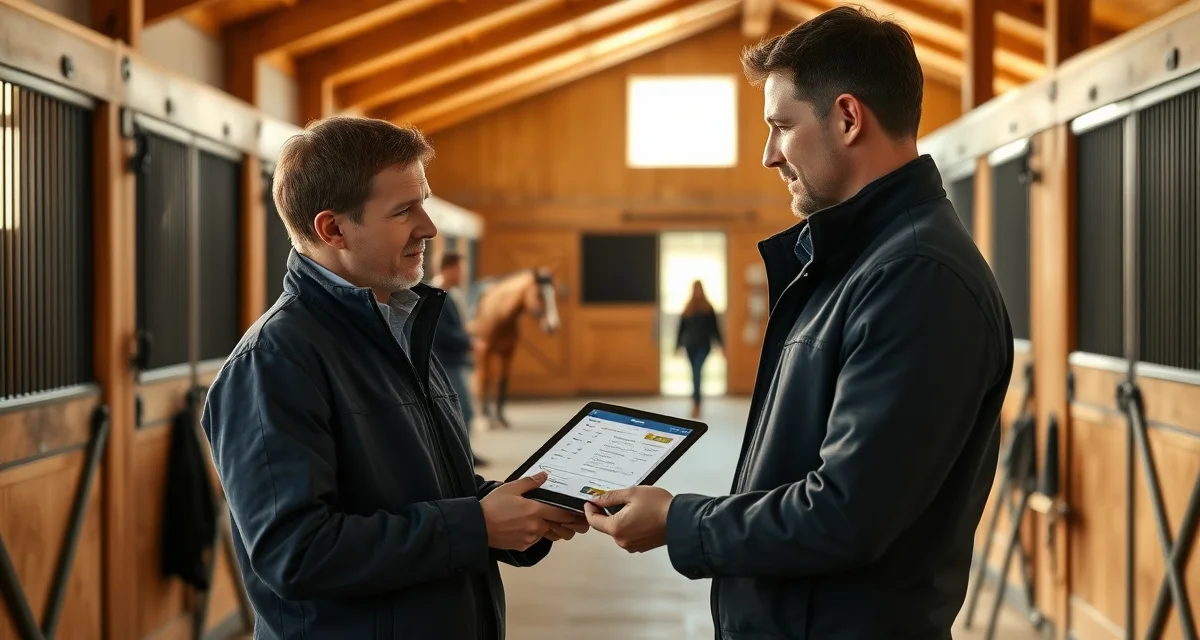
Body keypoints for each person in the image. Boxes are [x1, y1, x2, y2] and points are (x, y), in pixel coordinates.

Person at [583, 7, 1014, 638]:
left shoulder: (916, 276)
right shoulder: (858, 261)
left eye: (781, 126)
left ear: (847, 118)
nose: (768, 156)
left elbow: (846, 513)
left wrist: (681, 522)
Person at [200, 116, 588, 639]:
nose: (428, 227)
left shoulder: (400, 328)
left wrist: (520, 509)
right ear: (333, 229)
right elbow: (296, 553)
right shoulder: (274, 361)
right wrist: (475, 525)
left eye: (423, 203)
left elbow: (426, 485)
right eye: (404, 210)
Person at [433, 250, 487, 466]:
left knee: (463, 409)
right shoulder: (436, 295)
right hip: (445, 362)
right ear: (448, 269)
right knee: (463, 408)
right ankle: (461, 456)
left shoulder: (450, 295)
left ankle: (464, 453)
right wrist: (469, 343)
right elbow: (441, 332)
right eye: (460, 270)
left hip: (454, 360)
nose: (463, 274)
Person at [675, 280, 723, 419]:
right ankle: (695, 401)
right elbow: (681, 328)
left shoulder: (708, 308)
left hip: (704, 345)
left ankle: (697, 403)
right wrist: (677, 346)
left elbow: (715, 328)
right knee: (694, 374)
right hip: (690, 346)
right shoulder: (687, 308)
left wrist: (721, 346)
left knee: (697, 372)